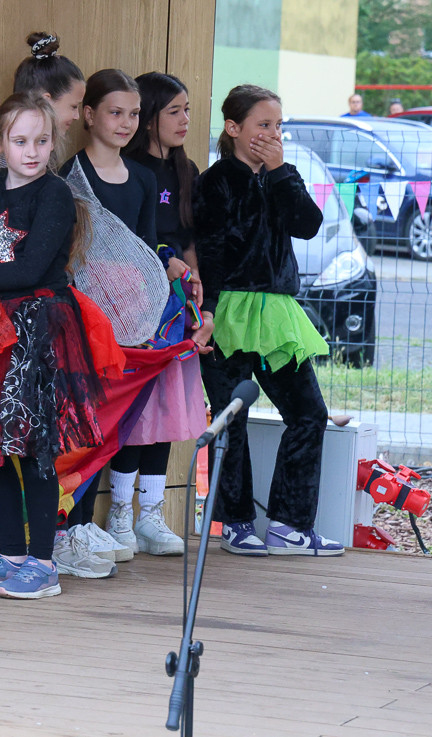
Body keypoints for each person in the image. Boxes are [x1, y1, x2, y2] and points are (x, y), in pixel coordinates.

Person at [0, 92, 110, 599]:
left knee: (36, 445)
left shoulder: (55, 195)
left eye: (42, 141)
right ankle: (10, 555)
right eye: (20, 141)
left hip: (39, 327)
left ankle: (43, 563)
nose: (32, 151)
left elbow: (29, 269)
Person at [193, 84, 344, 557]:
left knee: (307, 413)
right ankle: (236, 522)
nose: (273, 134)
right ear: (233, 129)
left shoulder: (282, 176)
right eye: (263, 125)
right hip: (230, 314)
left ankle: (289, 524)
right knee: (230, 418)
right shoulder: (217, 180)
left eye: (279, 126)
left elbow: (307, 223)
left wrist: (280, 172)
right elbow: (212, 251)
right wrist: (210, 311)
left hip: (277, 315)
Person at [60, 69, 198, 557]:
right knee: (88, 419)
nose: (125, 123)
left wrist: (170, 268)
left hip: (136, 315)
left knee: (124, 415)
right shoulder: (68, 177)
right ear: (90, 115)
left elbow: (144, 248)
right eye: (115, 113)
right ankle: (78, 523)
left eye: (134, 114)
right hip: (84, 318)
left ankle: (112, 522)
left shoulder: (142, 177)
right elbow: (70, 253)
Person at [0, 31, 85, 236]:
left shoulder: (43, 154)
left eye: (42, 141)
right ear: (46, 101)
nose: (77, 116)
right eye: (73, 106)